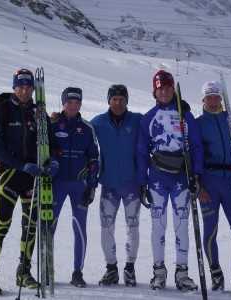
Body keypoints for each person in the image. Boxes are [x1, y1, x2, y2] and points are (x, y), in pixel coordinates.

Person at [136, 70, 204, 291]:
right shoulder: (148, 118)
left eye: (168, 88)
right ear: (154, 91)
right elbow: (141, 151)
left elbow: (196, 146)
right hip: (157, 178)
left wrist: (197, 174)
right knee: (158, 226)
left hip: (181, 179)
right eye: (160, 89)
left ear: (173, 90)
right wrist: (142, 182)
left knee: (182, 226)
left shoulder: (186, 116)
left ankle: (182, 273)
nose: (164, 92)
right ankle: (159, 272)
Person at [0, 68, 43, 295]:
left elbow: (49, 141)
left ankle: (23, 271)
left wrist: (49, 161)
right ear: (14, 87)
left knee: (30, 226)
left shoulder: (38, 112)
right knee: (2, 225)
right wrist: (20, 164)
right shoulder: (2, 110)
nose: (25, 91)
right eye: (21, 87)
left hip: (32, 177)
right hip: (10, 174)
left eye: (29, 87)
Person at [195, 80, 231, 293]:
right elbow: (194, 156)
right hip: (209, 183)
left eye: (216, 97)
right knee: (210, 230)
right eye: (208, 97)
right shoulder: (198, 123)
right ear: (202, 99)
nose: (212, 101)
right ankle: (216, 274)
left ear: (222, 98)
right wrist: (198, 186)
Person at [90, 84, 142, 287]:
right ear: (108, 101)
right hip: (109, 186)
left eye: (122, 99)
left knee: (133, 227)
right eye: (114, 99)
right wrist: (58, 119)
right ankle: (111, 269)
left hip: (131, 186)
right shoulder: (98, 123)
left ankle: (130, 269)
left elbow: (158, 119)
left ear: (127, 101)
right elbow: (78, 128)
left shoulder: (137, 120)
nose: (118, 103)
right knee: (106, 228)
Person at [49, 87, 99, 288]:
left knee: (79, 228)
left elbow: (94, 157)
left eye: (77, 102)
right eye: (69, 102)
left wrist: (92, 184)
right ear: (63, 103)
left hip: (80, 185)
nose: (73, 106)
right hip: (56, 184)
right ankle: (47, 269)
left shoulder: (87, 128)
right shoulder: (52, 125)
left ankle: (77, 272)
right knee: (49, 227)